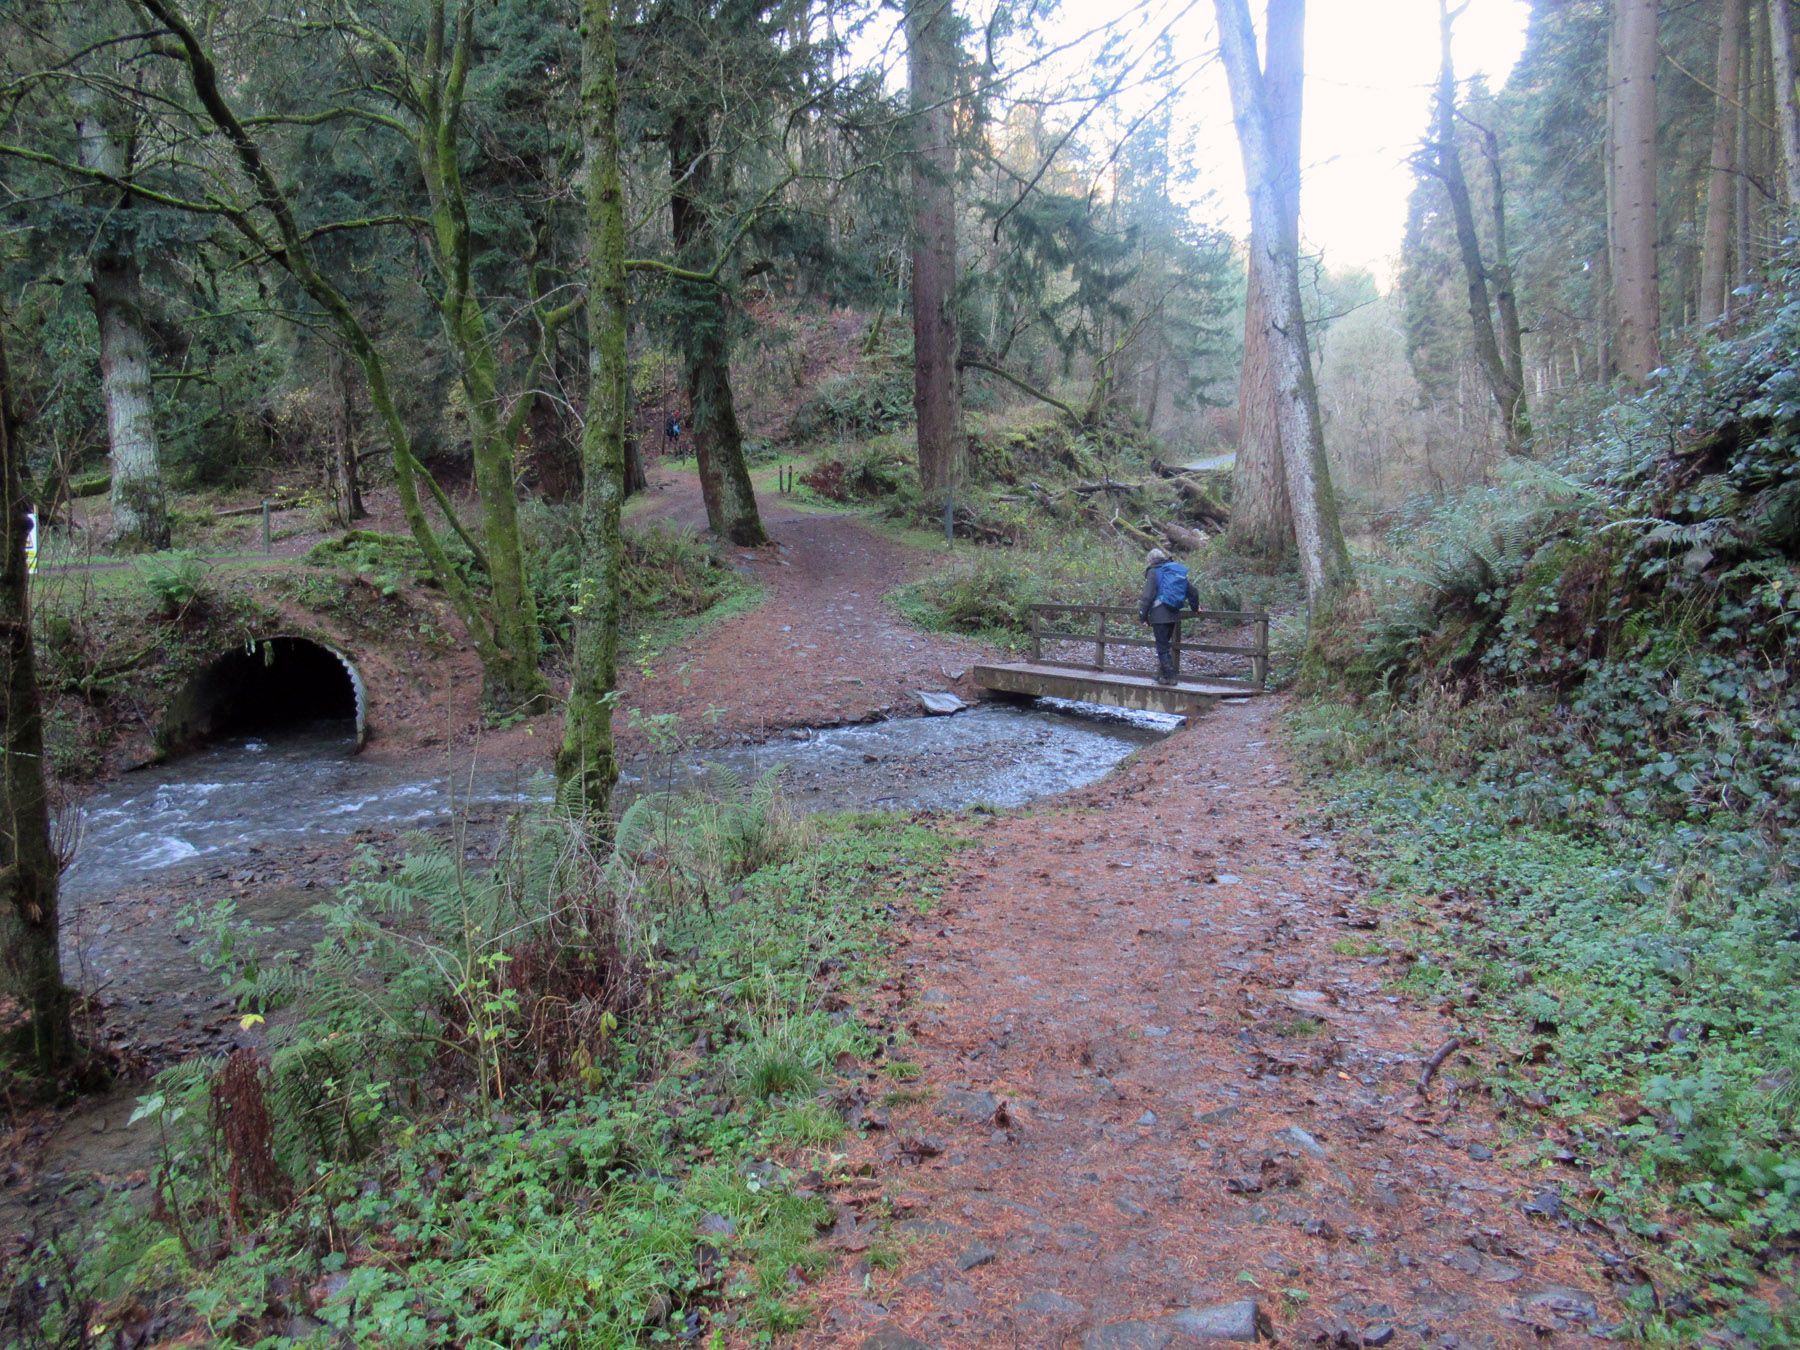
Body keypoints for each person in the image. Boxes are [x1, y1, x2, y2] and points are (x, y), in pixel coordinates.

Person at [1138, 546, 1198, 685]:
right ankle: (1162, 676)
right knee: (1165, 645)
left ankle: (1170, 677)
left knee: (1162, 646)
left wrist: (1143, 616)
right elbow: (1193, 591)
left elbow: (1147, 597)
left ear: (1150, 560)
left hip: (1159, 615)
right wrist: (1195, 608)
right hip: (1173, 614)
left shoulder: (1153, 572)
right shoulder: (1172, 571)